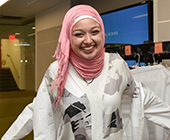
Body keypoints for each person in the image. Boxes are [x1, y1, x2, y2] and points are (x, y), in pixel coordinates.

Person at [1, 4, 170, 140]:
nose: (88, 40)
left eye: (94, 32)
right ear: (68, 37)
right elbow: (37, 110)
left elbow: (143, 97)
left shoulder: (117, 65)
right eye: (79, 34)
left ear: (102, 33)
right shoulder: (57, 72)